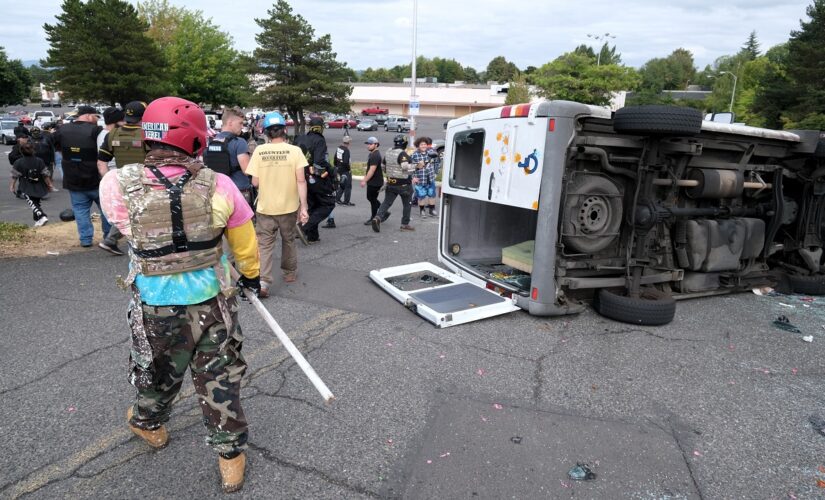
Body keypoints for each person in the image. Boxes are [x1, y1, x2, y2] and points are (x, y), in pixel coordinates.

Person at [99, 96, 260, 493]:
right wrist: (251, 278)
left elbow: (125, 228)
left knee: (159, 374)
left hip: (155, 307)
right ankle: (230, 457)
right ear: (196, 141)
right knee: (218, 380)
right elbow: (245, 245)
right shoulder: (220, 185)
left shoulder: (116, 183)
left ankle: (146, 421)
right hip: (212, 304)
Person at [246, 111, 309, 297]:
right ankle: (289, 273)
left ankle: (264, 282)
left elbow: (255, 182)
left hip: (266, 207)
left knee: (265, 244)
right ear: (284, 130)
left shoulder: (259, 151)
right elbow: (301, 180)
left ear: (266, 132)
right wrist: (303, 206)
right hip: (289, 207)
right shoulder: (295, 151)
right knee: (288, 239)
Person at [51, 105, 110, 248]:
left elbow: (54, 144)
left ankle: (85, 239)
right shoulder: (96, 130)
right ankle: (108, 237)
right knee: (105, 209)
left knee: (80, 210)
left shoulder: (62, 129)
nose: (97, 119)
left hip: (73, 177)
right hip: (95, 177)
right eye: (96, 116)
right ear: (89, 116)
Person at [97, 102, 146, 255]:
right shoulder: (147, 134)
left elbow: (101, 163)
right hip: (145, 180)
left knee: (130, 211)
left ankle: (111, 240)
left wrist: (110, 182)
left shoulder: (113, 134)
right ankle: (117, 241)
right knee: (138, 212)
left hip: (123, 181)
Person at [295, 114, 335, 243]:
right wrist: (331, 171)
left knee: (312, 205)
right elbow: (319, 163)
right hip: (315, 177)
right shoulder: (319, 140)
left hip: (301, 176)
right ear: (320, 128)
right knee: (328, 204)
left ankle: (313, 236)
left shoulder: (300, 139)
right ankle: (303, 227)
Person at [203, 107, 252, 206]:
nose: (242, 126)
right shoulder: (240, 142)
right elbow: (247, 171)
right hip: (239, 191)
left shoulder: (212, 142)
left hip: (219, 192)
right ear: (230, 123)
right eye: (240, 123)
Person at [371, 134, 416, 232]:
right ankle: (404, 224)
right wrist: (416, 166)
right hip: (404, 184)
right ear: (405, 143)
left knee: (386, 202)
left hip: (391, 183)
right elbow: (405, 167)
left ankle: (377, 217)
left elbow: (383, 166)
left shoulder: (388, 152)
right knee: (407, 204)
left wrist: (391, 173)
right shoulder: (402, 153)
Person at [10, 141, 52, 227]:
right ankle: (37, 220)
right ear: (33, 150)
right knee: (36, 202)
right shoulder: (39, 161)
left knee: (32, 203)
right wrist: (49, 184)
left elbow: (15, 176)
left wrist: (12, 185)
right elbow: (45, 174)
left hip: (26, 186)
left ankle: (42, 216)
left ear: (21, 151)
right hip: (39, 185)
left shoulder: (18, 162)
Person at [411, 136, 438, 218]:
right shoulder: (415, 155)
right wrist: (413, 177)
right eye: (422, 144)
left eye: (425, 144)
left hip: (430, 178)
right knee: (421, 196)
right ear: (418, 145)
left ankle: (431, 210)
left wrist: (435, 172)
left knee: (432, 194)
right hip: (420, 179)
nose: (423, 146)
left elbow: (436, 162)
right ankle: (422, 211)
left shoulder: (431, 152)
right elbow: (410, 167)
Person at [360, 136, 385, 225]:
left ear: (376, 144)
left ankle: (374, 218)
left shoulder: (375, 155)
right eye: (368, 144)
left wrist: (364, 180)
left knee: (372, 199)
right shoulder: (373, 154)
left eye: (370, 144)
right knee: (371, 198)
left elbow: (372, 170)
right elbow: (369, 169)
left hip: (375, 182)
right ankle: (384, 211)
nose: (368, 146)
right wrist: (365, 178)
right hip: (374, 181)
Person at [334, 135, 354, 206]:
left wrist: (336, 166)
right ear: (348, 142)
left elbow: (335, 158)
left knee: (342, 184)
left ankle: (337, 198)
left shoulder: (339, 148)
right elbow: (346, 162)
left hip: (339, 169)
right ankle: (346, 201)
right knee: (348, 186)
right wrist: (349, 169)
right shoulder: (346, 150)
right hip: (345, 170)